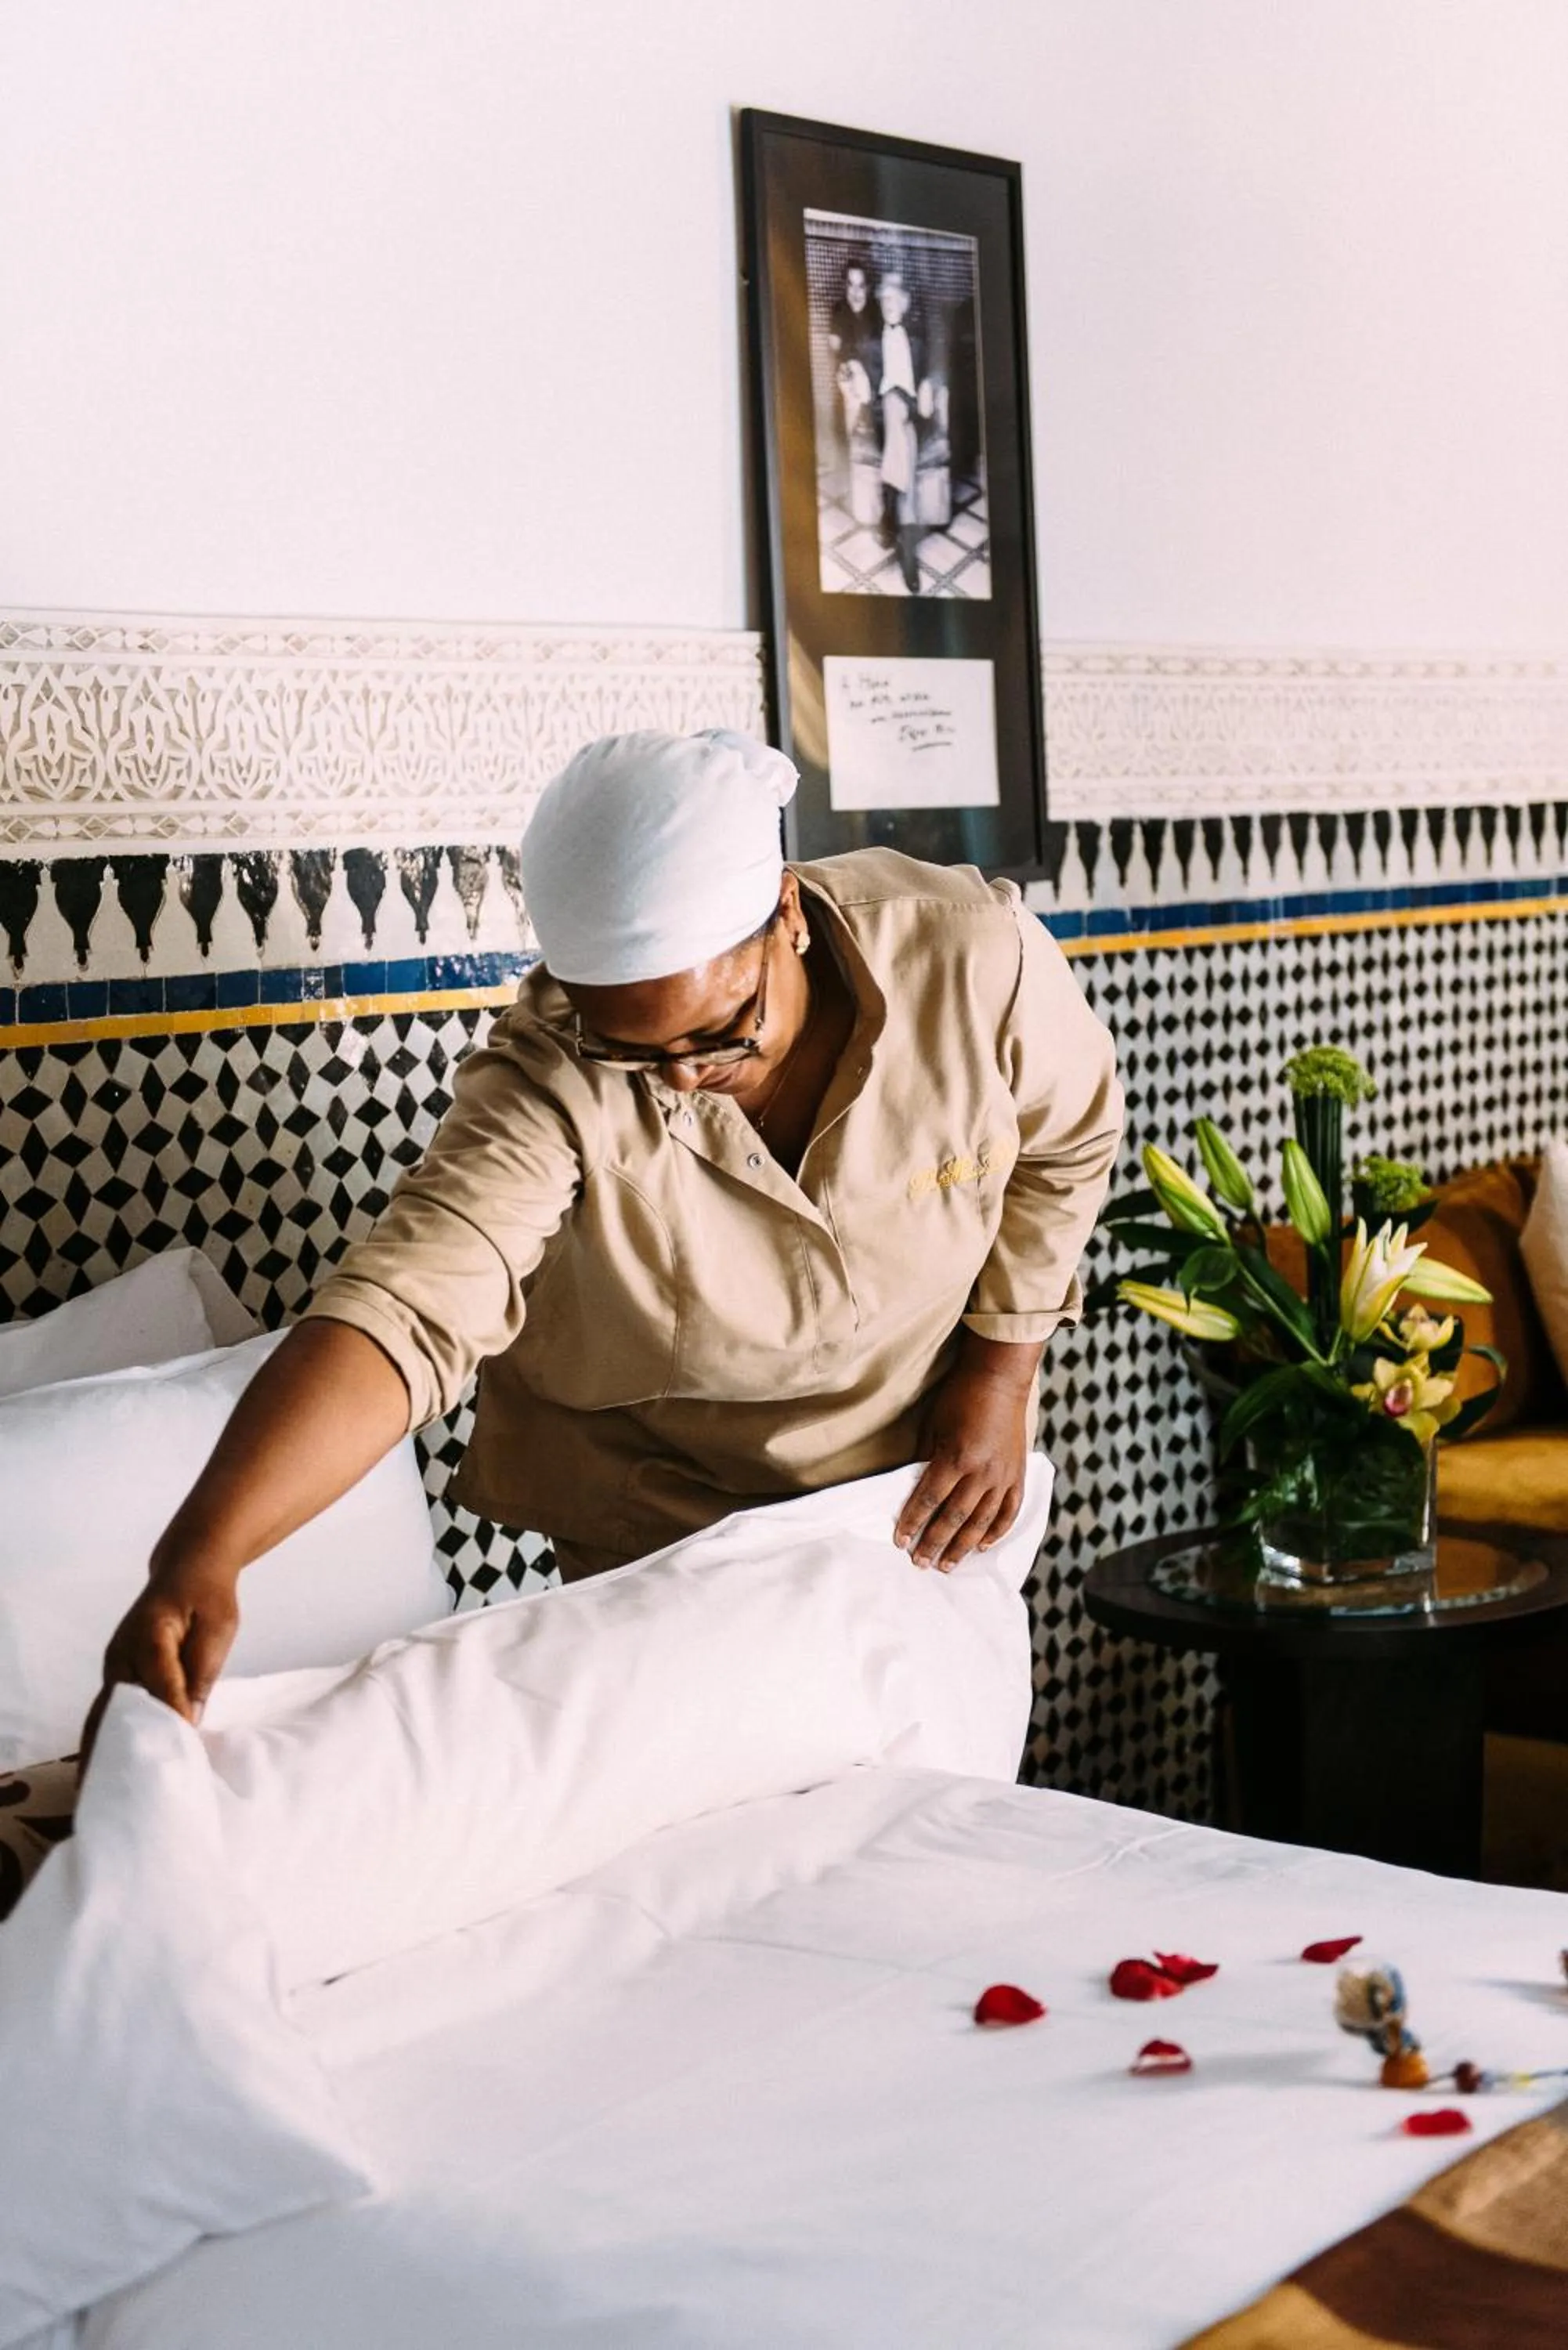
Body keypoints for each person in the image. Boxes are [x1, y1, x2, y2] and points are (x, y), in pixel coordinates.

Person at [90, 730, 1122, 1734]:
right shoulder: (548, 1074)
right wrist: (206, 1553)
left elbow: (1065, 1148)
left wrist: (999, 1378)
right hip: (663, 1525)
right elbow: (412, 1305)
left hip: (912, 1493)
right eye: (631, 1050)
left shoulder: (969, 958)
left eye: (720, 1032)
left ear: (787, 913)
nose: (680, 1077)